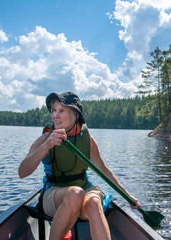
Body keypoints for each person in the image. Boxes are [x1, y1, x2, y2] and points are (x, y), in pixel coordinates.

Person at [19, 92, 141, 240]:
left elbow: (104, 171)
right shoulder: (45, 139)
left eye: (61, 111)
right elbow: (22, 172)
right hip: (53, 193)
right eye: (54, 110)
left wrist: (127, 196)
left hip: (83, 188)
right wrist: (47, 145)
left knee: (94, 203)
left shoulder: (87, 140)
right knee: (75, 194)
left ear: (76, 115)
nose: (55, 116)